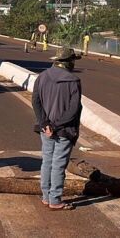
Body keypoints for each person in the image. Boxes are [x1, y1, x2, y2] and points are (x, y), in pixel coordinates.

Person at [32, 47, 82, 211]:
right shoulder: (73, 81)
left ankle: (46, 196)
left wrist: (45, 124)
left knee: (47, 161)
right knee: (58, 164)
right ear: (69, 62)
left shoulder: (42, 77)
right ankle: (55, 199)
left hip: (45, 130)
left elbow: (36, 102)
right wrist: (56, 126)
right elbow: (73, 110)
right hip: (64, 130)